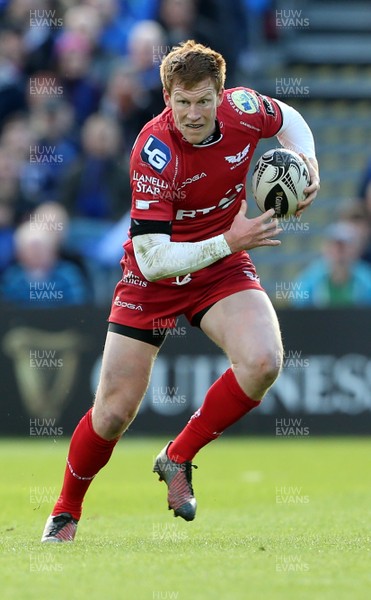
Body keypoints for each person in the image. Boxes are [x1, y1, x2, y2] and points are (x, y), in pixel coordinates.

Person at [41, 40, 319, 542]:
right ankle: (65, 511)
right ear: (167, 97)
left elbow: (289, 118)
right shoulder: (154, 150)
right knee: (112, 412)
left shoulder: (245, 109)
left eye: (204, 101)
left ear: (221, 95)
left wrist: (308, 160)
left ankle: (177, 456)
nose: (193, 113)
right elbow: (153, 258)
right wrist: (228, 240)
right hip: (154, 278)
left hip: (220, 267)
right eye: (182, 101)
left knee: (263, 362)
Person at [291, 221, 371, 308]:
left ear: (356, 250)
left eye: (345, 247)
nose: (339, 252)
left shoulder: (367, 279)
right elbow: (298, 308)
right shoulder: (308, 279)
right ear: (326, 248)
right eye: (335, 246)